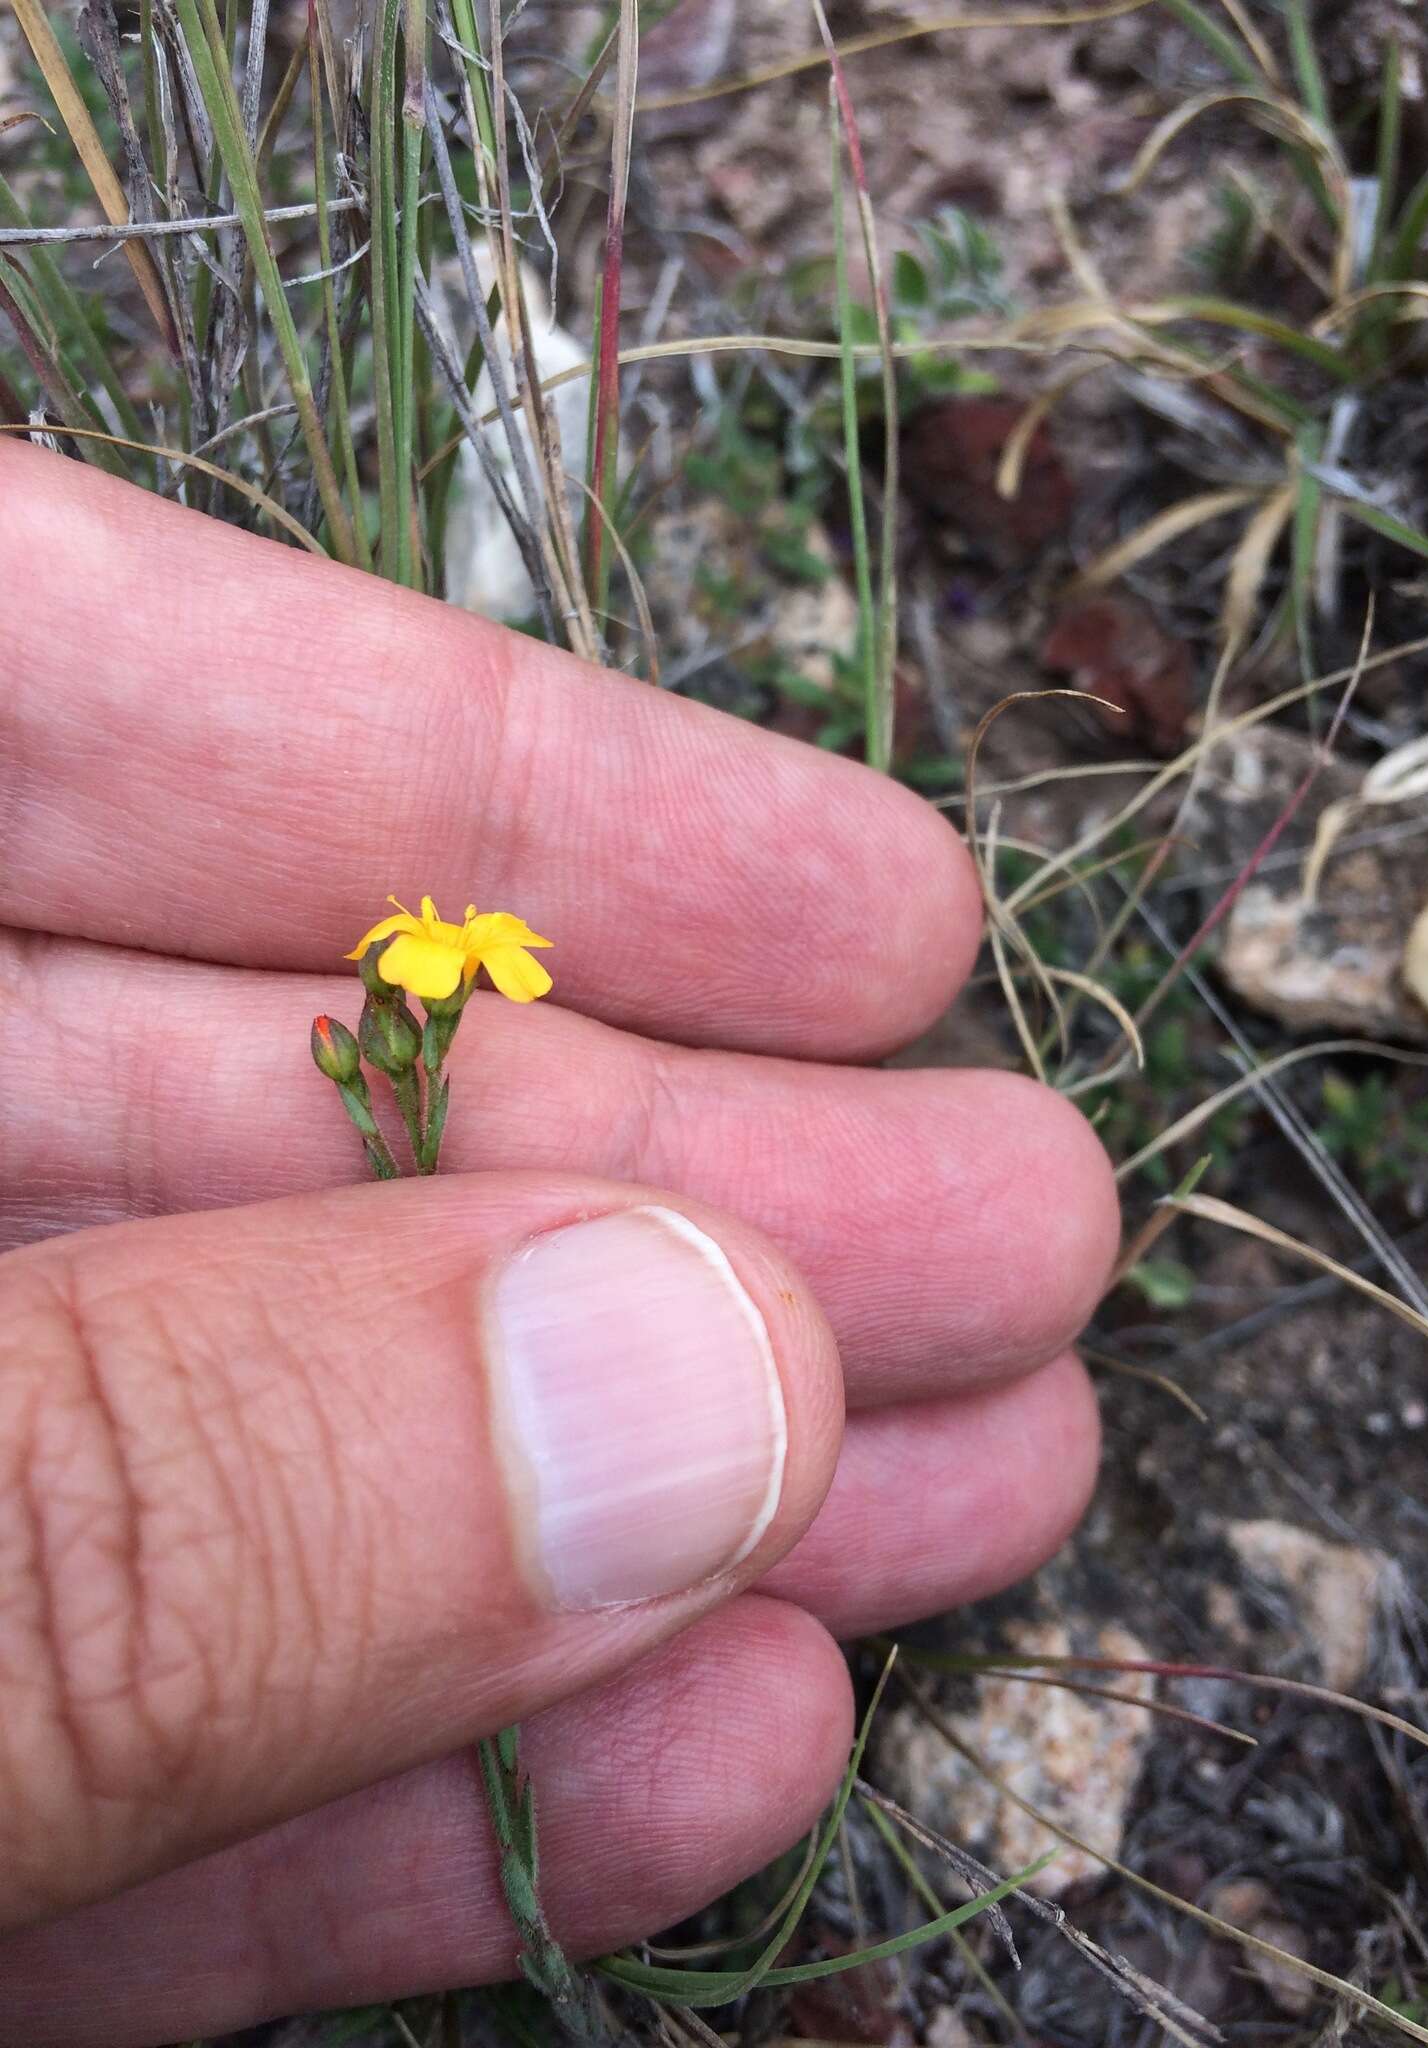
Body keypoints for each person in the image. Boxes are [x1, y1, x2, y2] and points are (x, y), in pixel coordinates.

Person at [0, 435, 1119, 2045]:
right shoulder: (422, 986)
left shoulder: (443, 982)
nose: (453, 951)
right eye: (440, 962)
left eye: (448, 959)